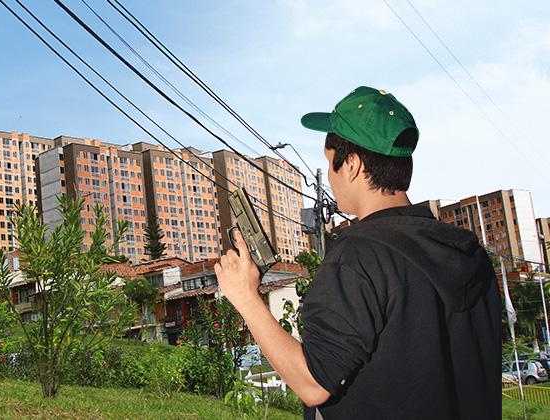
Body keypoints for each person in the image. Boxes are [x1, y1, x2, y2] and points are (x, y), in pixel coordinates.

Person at [214, 86, 501, 419]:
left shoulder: (358, 257)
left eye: (330, 162)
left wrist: (246, 298)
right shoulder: (468, 250)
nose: (332, 177)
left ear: (350, 165)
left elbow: (313, 383)